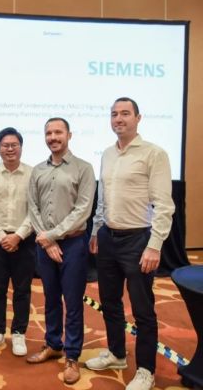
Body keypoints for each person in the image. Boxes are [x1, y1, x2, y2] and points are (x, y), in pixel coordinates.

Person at [85, 97, 175, 390]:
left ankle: (146, 370)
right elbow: (102, 199)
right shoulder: (107, 154)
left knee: (142, 310)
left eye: (125, 113)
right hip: (108, 239)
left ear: (138, 118)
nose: (119, 119)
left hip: (138, 240)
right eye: (114, 114)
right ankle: (117, 354)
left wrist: (155, 245)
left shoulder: (154, 154)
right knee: (110, 302)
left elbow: (164, 205)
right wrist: (96, 230)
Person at [26, 117, 96, 384]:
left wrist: (52, 236)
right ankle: (53, 344)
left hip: (73, 244)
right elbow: (32, 207)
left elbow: (83, 210)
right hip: (45, 245)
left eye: (58, 132)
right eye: (49, 133)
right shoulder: (37, 170)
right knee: (51, 297)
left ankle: (72, 355)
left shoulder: (84, 168)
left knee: (73, 302)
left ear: (69, 135)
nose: (53, 137)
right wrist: (47, 241)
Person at [0, 127, 35, 356]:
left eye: (14, 145)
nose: (10, 149)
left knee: (22, 289)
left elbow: (36, 210)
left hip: (25, 240)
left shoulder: (33, 174)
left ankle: (19, 332)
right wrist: (2, 236)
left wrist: (18, 235)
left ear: (21, 147)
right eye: (5, 145)